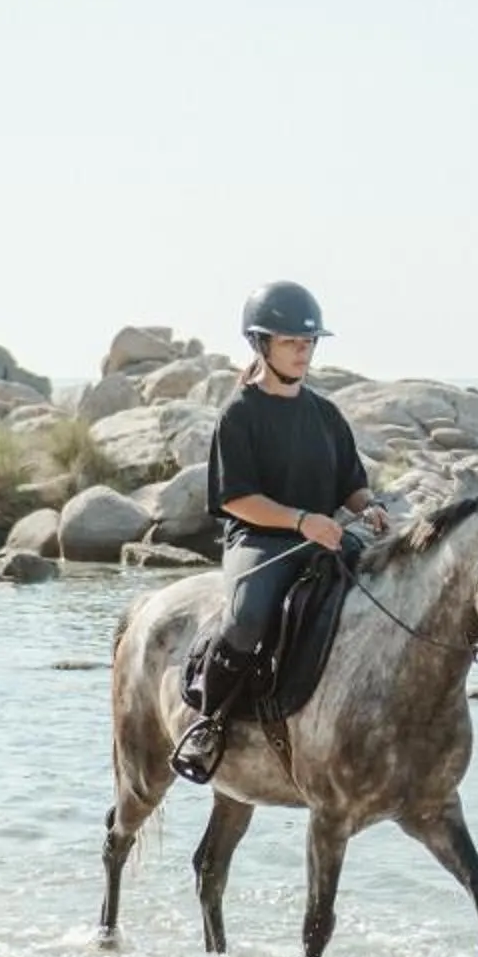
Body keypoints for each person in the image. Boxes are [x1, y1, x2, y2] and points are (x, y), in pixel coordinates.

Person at [169, 281, 388, 781]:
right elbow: (234, 498)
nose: (303, 352)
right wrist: (300, 520)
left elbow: (351, 484)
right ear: (261, 344)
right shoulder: (240, 415)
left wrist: (368, 505)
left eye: (308, 343)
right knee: (246, 620)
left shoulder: (325, 413)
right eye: (291, 342)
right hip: (261, 542)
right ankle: (210, 721)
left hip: (325, 539)